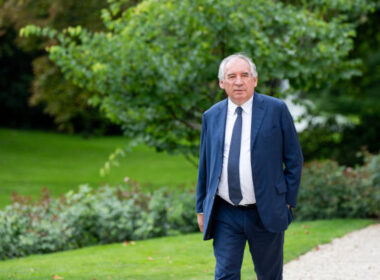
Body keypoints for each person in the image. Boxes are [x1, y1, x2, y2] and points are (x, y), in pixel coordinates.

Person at [196, 53, 303, 280]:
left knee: (269, 276)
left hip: (265, 210)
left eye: (245, 75)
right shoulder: (211, 116)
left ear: (255, 80)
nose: (238, 81)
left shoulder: (276, 110)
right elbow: (205, 165)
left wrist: (287, 201)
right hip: (225, 212)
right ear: (222, 83)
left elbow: (294, 159)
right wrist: (201, 207)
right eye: (231, 76)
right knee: (225, 274)